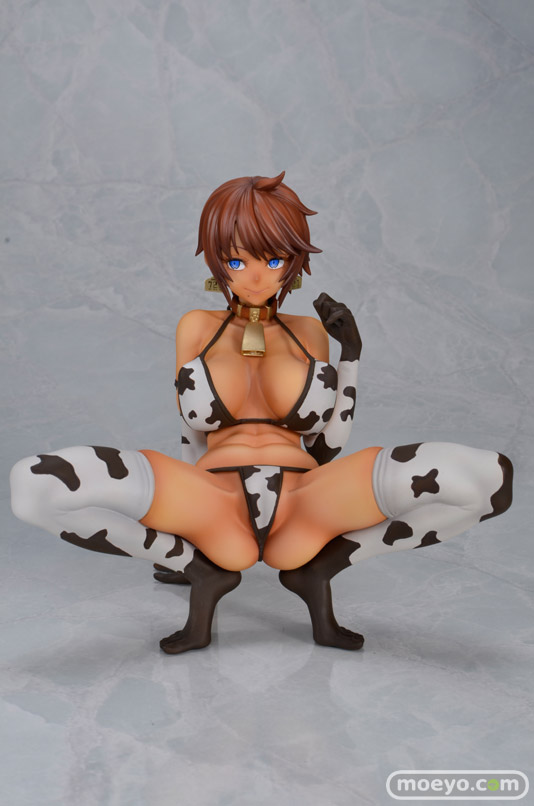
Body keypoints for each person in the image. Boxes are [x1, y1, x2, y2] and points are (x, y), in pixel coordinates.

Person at [10, 172, 513, 654]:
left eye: (274, 260)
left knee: (487, 482)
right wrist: (182, 539)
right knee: (36, 487)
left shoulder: (310, 332)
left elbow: (326, 446)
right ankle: (201, 571)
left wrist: (352, 355)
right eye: (236, 260)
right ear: (215, 260)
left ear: (295, 260)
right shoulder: (195, 326)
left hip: (306, 500)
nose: (256, 276)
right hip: (213, 500)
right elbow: (191, 430)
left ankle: (320, 569)